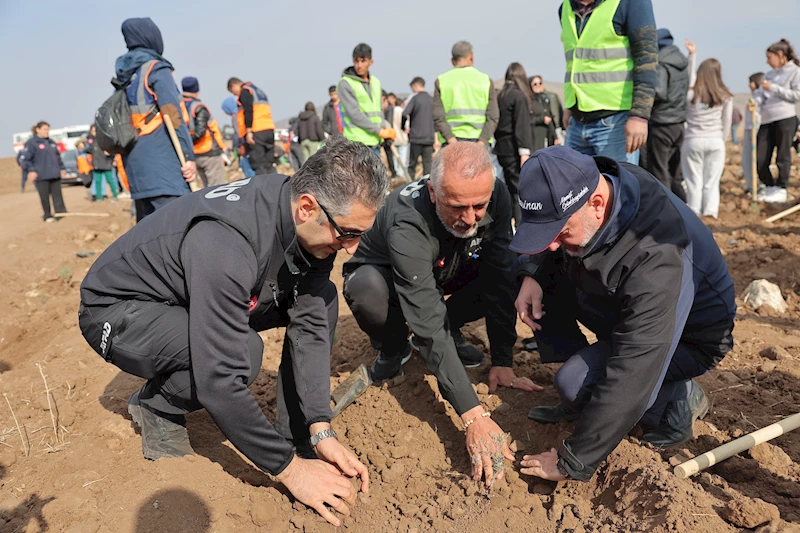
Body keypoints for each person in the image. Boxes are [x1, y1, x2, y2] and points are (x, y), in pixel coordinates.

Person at [78, 138, 388, 527]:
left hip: (190, 295)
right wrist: (291, 472)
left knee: (322, 298)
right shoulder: (226, 241)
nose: (351, 249)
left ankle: (293, 434)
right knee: (240, 353)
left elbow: (308, 322)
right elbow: (218, 380)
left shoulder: (302, 217)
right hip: (120, 309)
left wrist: (319, 427)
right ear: (308, 207)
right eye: (347, 234)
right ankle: (157, 405)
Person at [511, 146, 735, 482]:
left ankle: (676, 399)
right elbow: (550, 242)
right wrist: (533, 273)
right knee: (549, 266)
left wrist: (574, 461)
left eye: (560, 231)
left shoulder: (659, 252)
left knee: (573, 383)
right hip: (624, 305)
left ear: (597, 204)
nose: (552, 243)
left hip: (689, 338)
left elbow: (636, 363)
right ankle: (587, 399)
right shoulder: (601, 183)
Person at [343, 143, 538, 487]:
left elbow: (500, 277)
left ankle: (452, 333)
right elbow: (428, 320)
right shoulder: (408, 219)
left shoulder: (496, 194)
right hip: (388, 275)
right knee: (368, 291)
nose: (470, 217)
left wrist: (503, 360)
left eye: (480, 206)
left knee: (502, 270)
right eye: (457, 206)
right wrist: (473, 414)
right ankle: (393, 347)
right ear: (433, 193)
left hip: (448, 264)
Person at [115, 18, 197, 222]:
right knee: (177, 226)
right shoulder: (156, 69)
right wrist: (189, 157)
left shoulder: (125, 75)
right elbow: (173, 115)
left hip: (136, 167)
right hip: (164, 167)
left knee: (147, 232)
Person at [559, 0, 658, 164]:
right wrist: (570, 104)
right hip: (577, 122)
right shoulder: (565, 9)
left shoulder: (630, 3)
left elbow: (647, 60)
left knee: (619, 187)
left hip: (615, 123)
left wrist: (640, 116)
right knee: (575, 187)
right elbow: (574, 62)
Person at [681, 41, 733, 219]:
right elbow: (727, 121)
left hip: (693, 140)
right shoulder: (725, 96)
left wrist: (692, 56)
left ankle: (694, 211)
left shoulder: (691, 95)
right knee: (711, 181)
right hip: (715, 141)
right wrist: (722, 138)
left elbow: (690, 80)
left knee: (693, 180)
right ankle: (711, 212)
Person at [644, 28, 689, 202]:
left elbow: (660, 92)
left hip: (661, 124)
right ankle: (683, 207)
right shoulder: (681, 63)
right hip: (678, 124)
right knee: (673, 172)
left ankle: (668, 209)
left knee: (659, 171)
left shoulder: (661, 63)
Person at [755, 39, 800, 203]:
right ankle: (768, 185)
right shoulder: (770, 74)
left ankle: (782, 187)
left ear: (780, 55)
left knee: (782, 154)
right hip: (767, 119)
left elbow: (797, 95)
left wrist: (773, 88)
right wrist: (755, 101)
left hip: (785, 118)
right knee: (761, 156)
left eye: (769, 57)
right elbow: (760, 95)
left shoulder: (795, 72)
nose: (767, 61)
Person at [433, 41, 499, 146]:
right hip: (479, 140)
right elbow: (493, 116)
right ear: (471, 56)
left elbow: (438, 117)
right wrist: (481, 142)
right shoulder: (485, 80)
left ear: (452, 60)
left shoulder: (442, 81)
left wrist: (452, 141)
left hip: (451, 143)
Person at [494, 63, 534, 224]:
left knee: (510, 188)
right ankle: (520, 225)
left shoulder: (501, 95)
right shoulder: (519, 96)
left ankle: (510, 224)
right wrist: (524, 152)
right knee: (519, 190)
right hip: (514, 148)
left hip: (502, 148)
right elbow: (521, 126)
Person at [338, 43, 395, 155]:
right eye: (356, 61)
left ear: (371, 62)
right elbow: (354, 114)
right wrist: (379, 131)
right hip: (356, 144)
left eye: (363, 61)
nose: (359, 65)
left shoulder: (375, 82)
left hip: (374, 142)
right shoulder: (345, 83)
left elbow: (379, 112)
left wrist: (385, 131)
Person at [182, 77, 227, 188]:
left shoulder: (179, 106)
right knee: (218, 189)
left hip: (191, 155)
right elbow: (202, 130)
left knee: (205, 190)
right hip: (208, 153)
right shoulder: (198, 107)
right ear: (196, 90)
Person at [227, 77, 277, 175]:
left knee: (258, 164)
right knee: (269, 163)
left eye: (233, 92)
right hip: (268, 129)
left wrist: (249, 131)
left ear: (234, 86)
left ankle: (263, 189)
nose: (235, 94)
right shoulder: (258, 92)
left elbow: (248, 111)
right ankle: (276, 188)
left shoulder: (245, 91)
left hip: (256, 131)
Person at [21, 121, 67, 222]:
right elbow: (26, 159)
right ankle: (48, 215)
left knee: (57, 195)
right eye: (45, 129)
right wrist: (31, 170)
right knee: (44, 197)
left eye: (48, 129)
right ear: (38, 130)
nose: (47, 132)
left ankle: (60, 213)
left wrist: (62, 168)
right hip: (42, 176)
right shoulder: (32, 143)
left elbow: (58, 157)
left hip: (54, 174)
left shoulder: (51, 142)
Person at [402, 77, 435, 178]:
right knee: (427, 165)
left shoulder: (415, 98)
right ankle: (427, 188)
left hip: (416, 137)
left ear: (415, 85)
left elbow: (404, 113)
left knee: (412, 164)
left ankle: (409, 186)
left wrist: (403, 127)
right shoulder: (431, 99)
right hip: (429, 138)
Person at [222, 96, 255, 178]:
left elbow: (238, 133)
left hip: (243, 145)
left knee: (247, 169)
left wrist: (240, 145)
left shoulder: (235, 117)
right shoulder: (242, 112)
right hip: (250, 144)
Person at [743, 73, 765, 193]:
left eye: (751, 82)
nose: (749, 84)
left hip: (756, 128)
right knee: (747, 159)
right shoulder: (753, 97)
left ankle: (760, 184)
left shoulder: (760, 97)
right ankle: (750, 185)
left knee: (756, 158)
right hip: (748, 128)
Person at [89, 124, 119, 202]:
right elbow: (88, 150)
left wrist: (110, 153)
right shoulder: (91, 142)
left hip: (106, 163)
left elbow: (113, 150)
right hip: (96, 164)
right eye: (93, 131)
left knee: (110, 180)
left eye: (95, 130)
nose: (94, 132)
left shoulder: (105, 140)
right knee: (97, 181)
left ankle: (115, 196)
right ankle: (99, 197)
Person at [529, 75, 557, 151]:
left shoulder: (544, 99)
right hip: (535, 138)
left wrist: (555, 137)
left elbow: (550, 118)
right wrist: (541, 119)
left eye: (540, 83)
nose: (538, 85)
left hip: (548, 138)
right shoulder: (529, 101)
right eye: (535, 84)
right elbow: (527, 120)